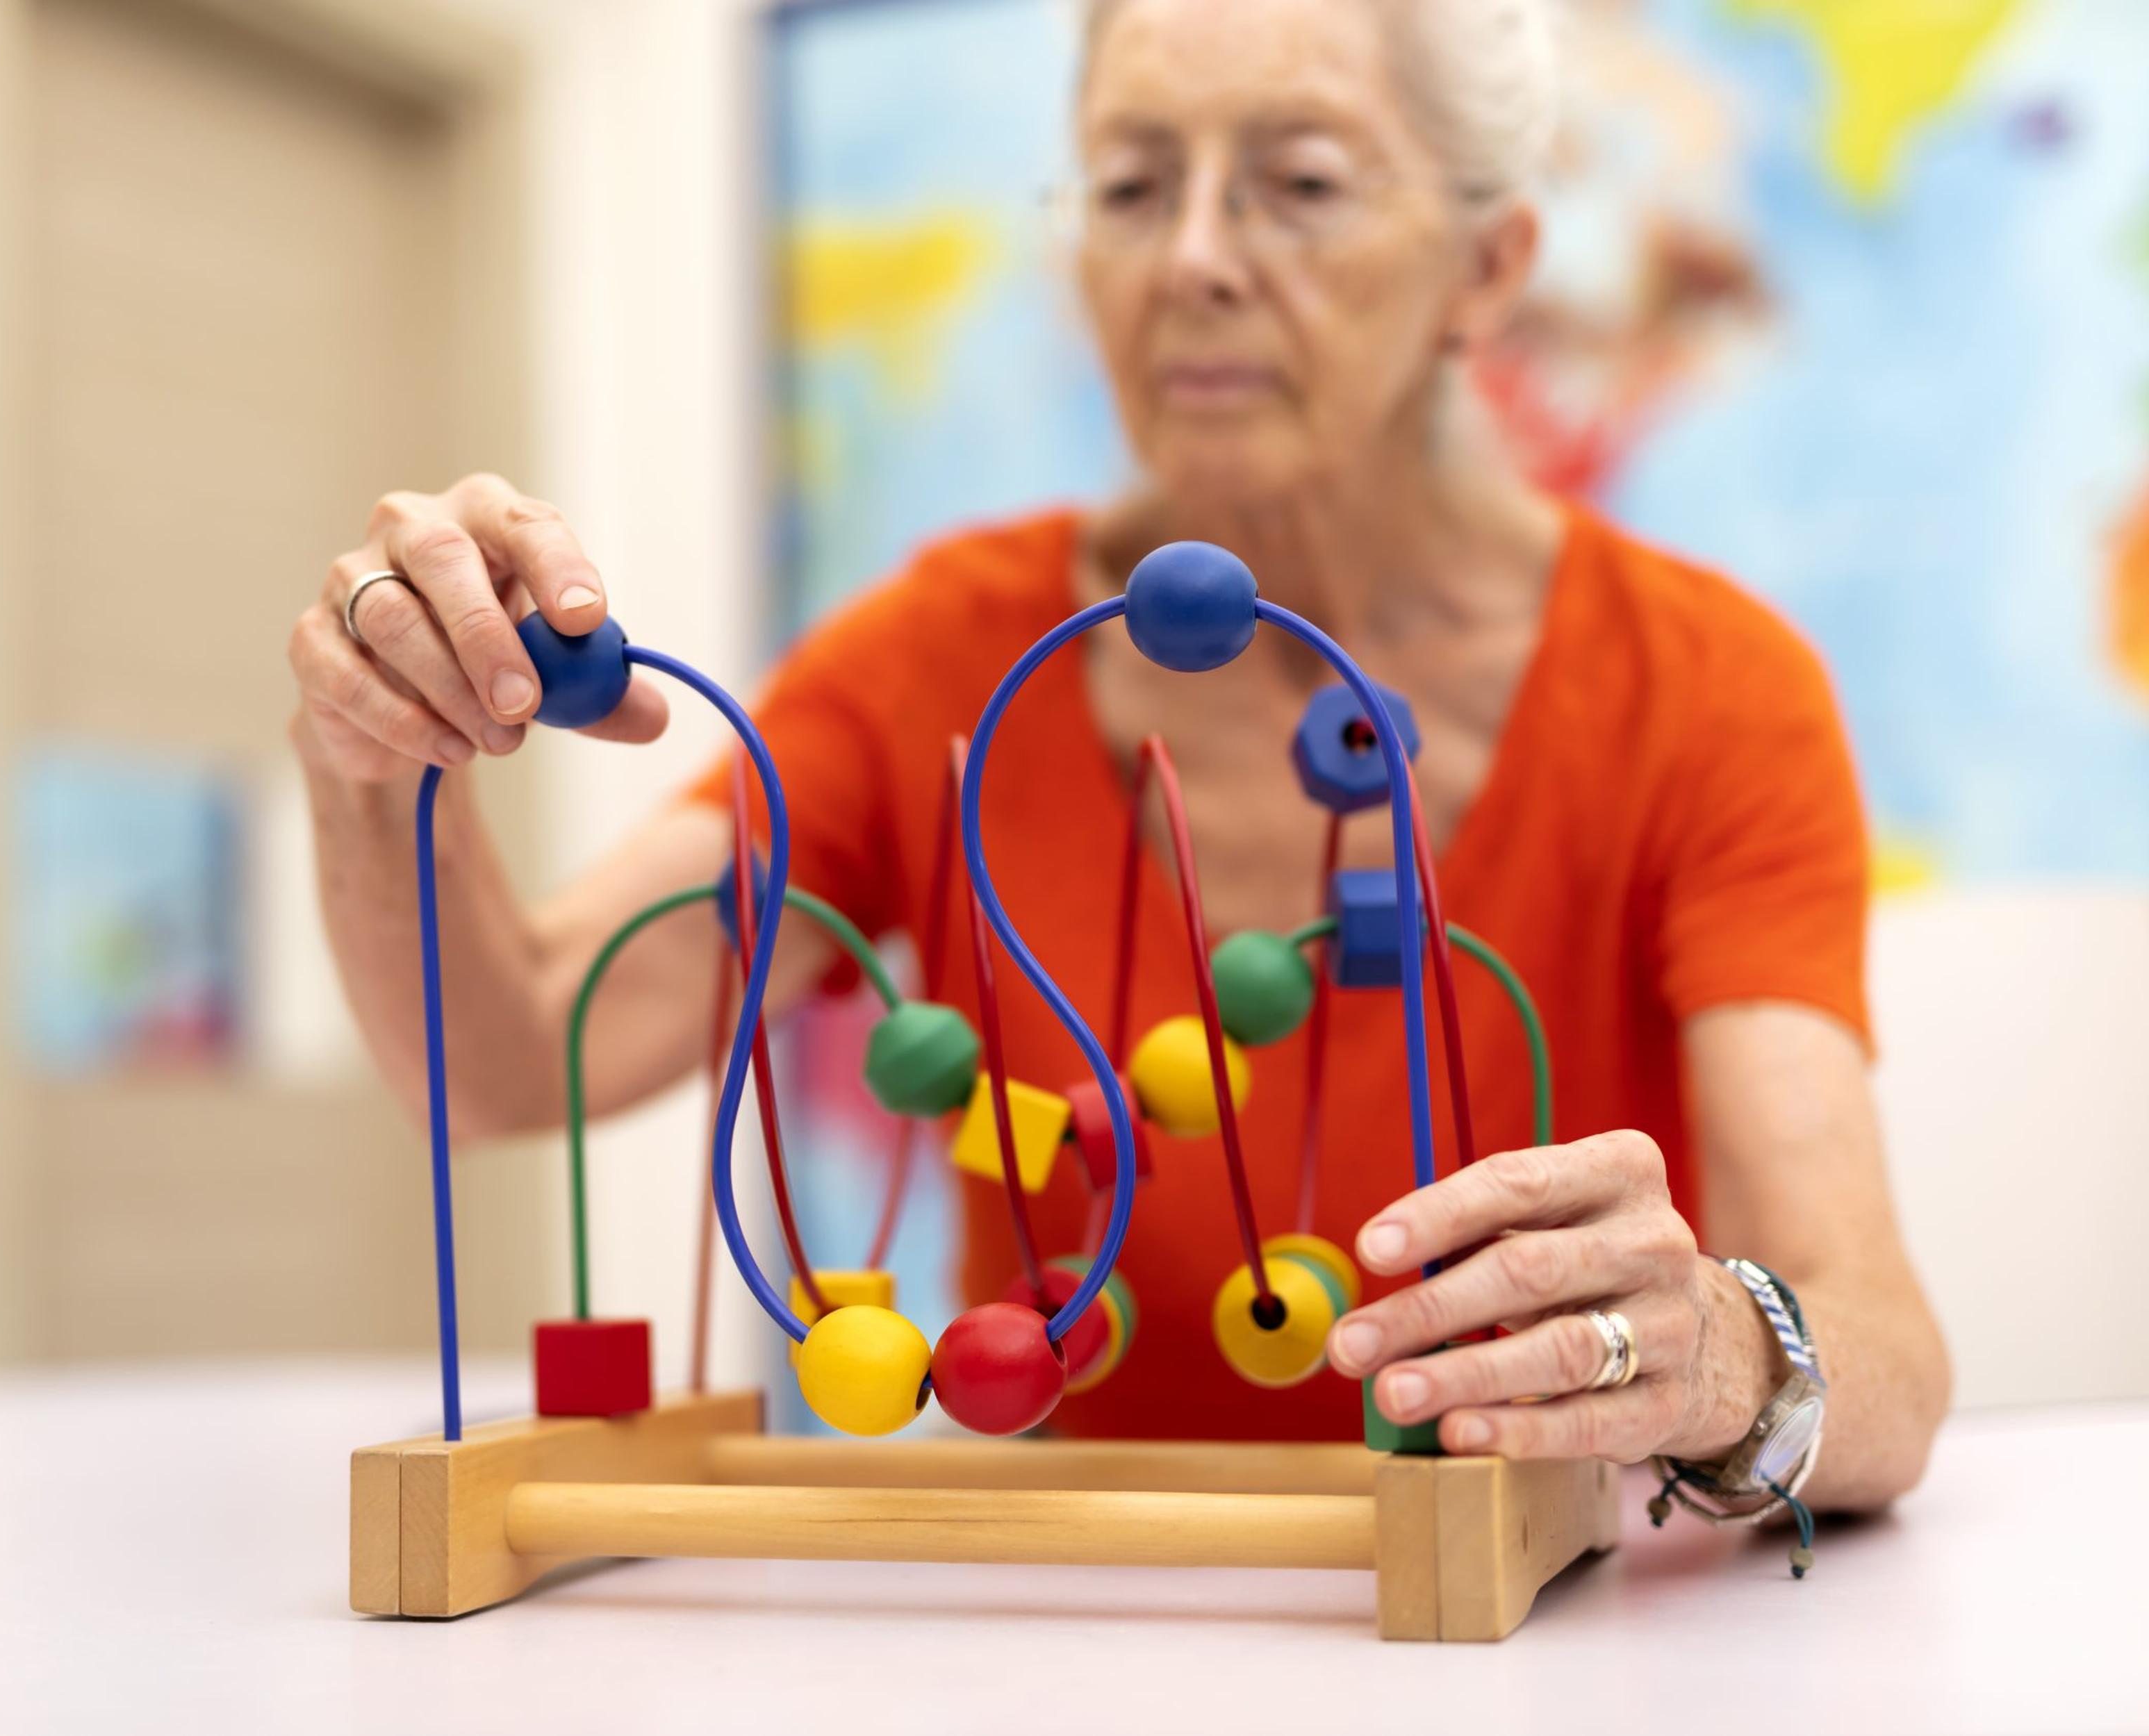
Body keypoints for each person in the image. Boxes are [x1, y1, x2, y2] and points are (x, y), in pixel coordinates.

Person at [285, 0, 1948, 1510]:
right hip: (1080, 1620)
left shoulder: (1708, 687)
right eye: (1132, 188)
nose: (1195, 259)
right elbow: (511, 1048)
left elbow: (1873, 1344)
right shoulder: (936, 660)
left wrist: (1732, 1356)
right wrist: (377, 756)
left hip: (1533, 1645)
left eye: (1300, 184)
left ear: (1489, 268)